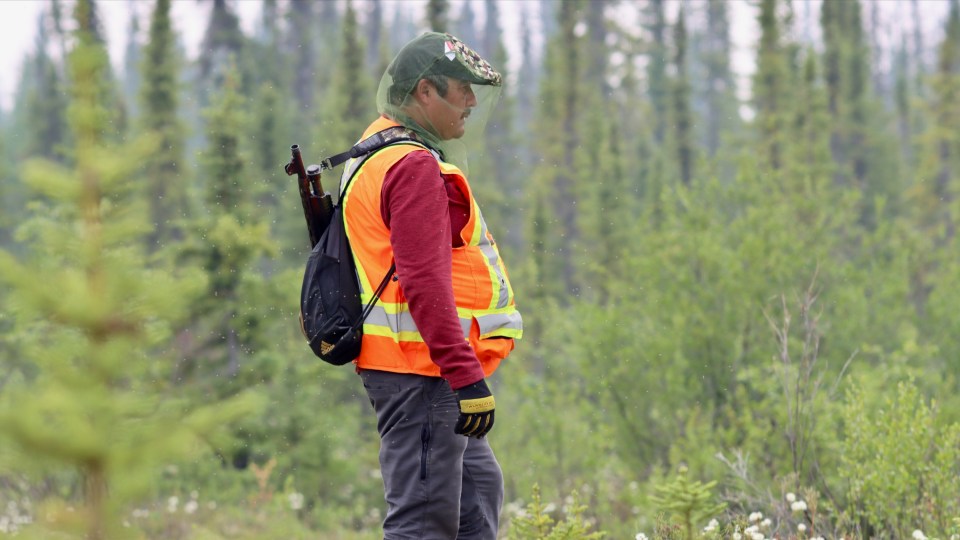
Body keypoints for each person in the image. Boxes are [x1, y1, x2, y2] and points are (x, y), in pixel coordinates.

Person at [339, 32, 522, 539]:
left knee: (476, 501)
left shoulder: (376, 149)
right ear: (425, 91)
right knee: (424, 525)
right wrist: (465, 376)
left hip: (424, 371)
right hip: (423, 373)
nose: (470, 100)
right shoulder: (413, 165)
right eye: (460, 88)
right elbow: (422, 284)